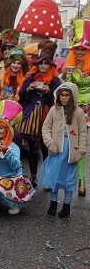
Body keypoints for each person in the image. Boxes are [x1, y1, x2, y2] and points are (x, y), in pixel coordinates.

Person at [17, 40, 61, 186]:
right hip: (30, 115)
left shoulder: (55, 80)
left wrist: (50, 93)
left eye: (46, 63)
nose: (43, 66)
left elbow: (60, 100)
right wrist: (28, 89)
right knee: (32, 148)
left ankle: (47, 177)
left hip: (47, 115)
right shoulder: (31, 77)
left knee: (46, 147)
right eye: (40, 63)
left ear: (51, 65)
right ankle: (34, 176)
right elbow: (22, 97)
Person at [40, 82, 87, 218]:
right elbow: (46, 128)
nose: (64, 98)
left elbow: (83, 133)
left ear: (72, 96)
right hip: (56, 149)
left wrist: (81, 151)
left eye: (67, 95)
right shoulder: (54, 110)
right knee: (54, 177)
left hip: (71, 151)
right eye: (62, 95)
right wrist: (50, 143)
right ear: (58, 96)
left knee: (69, 179)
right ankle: (53, 203)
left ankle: (66, 206)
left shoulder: (78, 112)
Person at [64, 19, 90, 196]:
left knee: (83, 142)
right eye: (77, 48)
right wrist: (67, 75)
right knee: (71, 143)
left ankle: (81, 180)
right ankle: (67, 179)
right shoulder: (71, 66)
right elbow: (67, 89)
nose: (80, 51)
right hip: (75, 108)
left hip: (89, 107)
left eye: (84, 49)